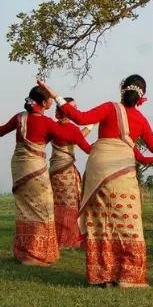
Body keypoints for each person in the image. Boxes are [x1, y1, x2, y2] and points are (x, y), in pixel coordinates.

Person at [39, 76, 153, 287]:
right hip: (122, 169)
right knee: (127, 219)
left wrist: (55, 95)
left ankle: (100, 275)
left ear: (122, 90)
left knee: (99, 218)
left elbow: (79, 117)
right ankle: (128, 277)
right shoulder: (140, 119)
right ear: (142, 96)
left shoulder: (109, 108)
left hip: (99, 167)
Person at [0, 86, 88, 266]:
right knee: (43, 209)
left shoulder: (20, 117)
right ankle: (37, 255)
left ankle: (24, 253)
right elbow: (70, 137)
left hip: (18, 167)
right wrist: (81, 125)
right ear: (45, 103)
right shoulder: (47, 122)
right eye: (51, 99)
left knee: (24, 208)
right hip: (35, 168)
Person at [49, 98, 92, 248]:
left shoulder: (52, 126)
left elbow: (74, 137)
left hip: (53, 172)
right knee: (70, 206)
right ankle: (70, 239)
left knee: (56, 205)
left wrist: (89, 127)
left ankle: (56, 238)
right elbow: (86, 147)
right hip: (66, 173)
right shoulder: (72, 129)